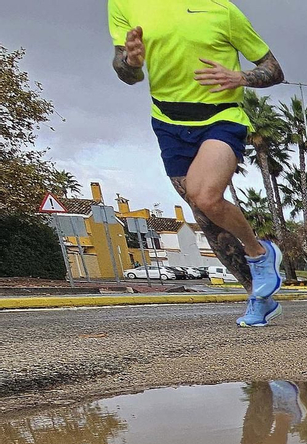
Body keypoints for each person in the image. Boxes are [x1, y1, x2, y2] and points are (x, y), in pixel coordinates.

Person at [109, 0, 285, 327]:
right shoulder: (124, 4)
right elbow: (127, 73)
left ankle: (260, 253)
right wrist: (130, 61)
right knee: (204, 214)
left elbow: (273, 69)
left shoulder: (222, 10)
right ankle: (258, 296)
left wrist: (240, 77)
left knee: (205, 196)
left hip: (221, 117)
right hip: (168, 121)